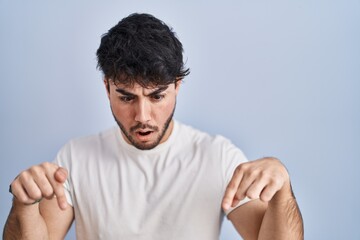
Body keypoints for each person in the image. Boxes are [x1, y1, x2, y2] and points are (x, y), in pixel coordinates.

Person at [3, 13, 304, 240]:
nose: (142, 115)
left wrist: (283, 189)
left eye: (157, 96)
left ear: (177, 86)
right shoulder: (76, 158)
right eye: (126, 97)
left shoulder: (218, 155)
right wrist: (24, 204)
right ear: (106, 88)